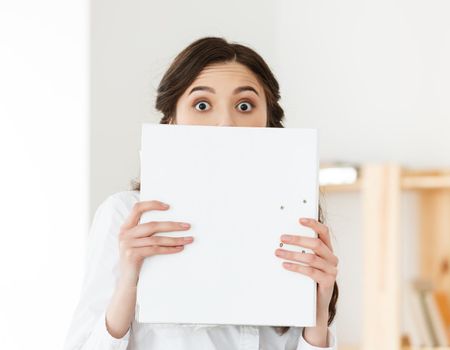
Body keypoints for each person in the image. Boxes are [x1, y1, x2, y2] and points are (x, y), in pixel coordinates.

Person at [64, 37, 339, 350]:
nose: (225, 124)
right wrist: (128, 283)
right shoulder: (124, 217)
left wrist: (318, 312)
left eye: (245, 106)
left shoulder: (294, 219)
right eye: (202, 105)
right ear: (172, 120)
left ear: (268, 122)